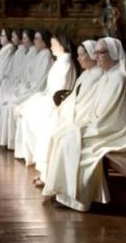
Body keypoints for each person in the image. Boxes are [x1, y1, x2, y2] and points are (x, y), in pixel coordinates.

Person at [41, 37, 126, 211]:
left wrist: (88, 125)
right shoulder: (109, 75)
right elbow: (95, 107)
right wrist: (84, 122)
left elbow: (111, 115)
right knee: (67, 135)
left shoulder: (120, 78)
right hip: (100, 124)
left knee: (71, 139)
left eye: (101, 52)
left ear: (114, 54)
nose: (97, 56)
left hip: (113, 129)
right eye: (96, 52)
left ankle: (78, 198)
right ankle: (63, 193)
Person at [13, 34, 78, 182]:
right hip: (50, 98)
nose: (51, 47)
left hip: (57, 104)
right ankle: (31, 155)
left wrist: (45, 100)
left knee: (35, 117)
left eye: (53, 44)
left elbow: (60, 91)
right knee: (26, 109)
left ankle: (42, 163)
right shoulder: (60, 61)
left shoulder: (66, 63)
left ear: (61, 45)